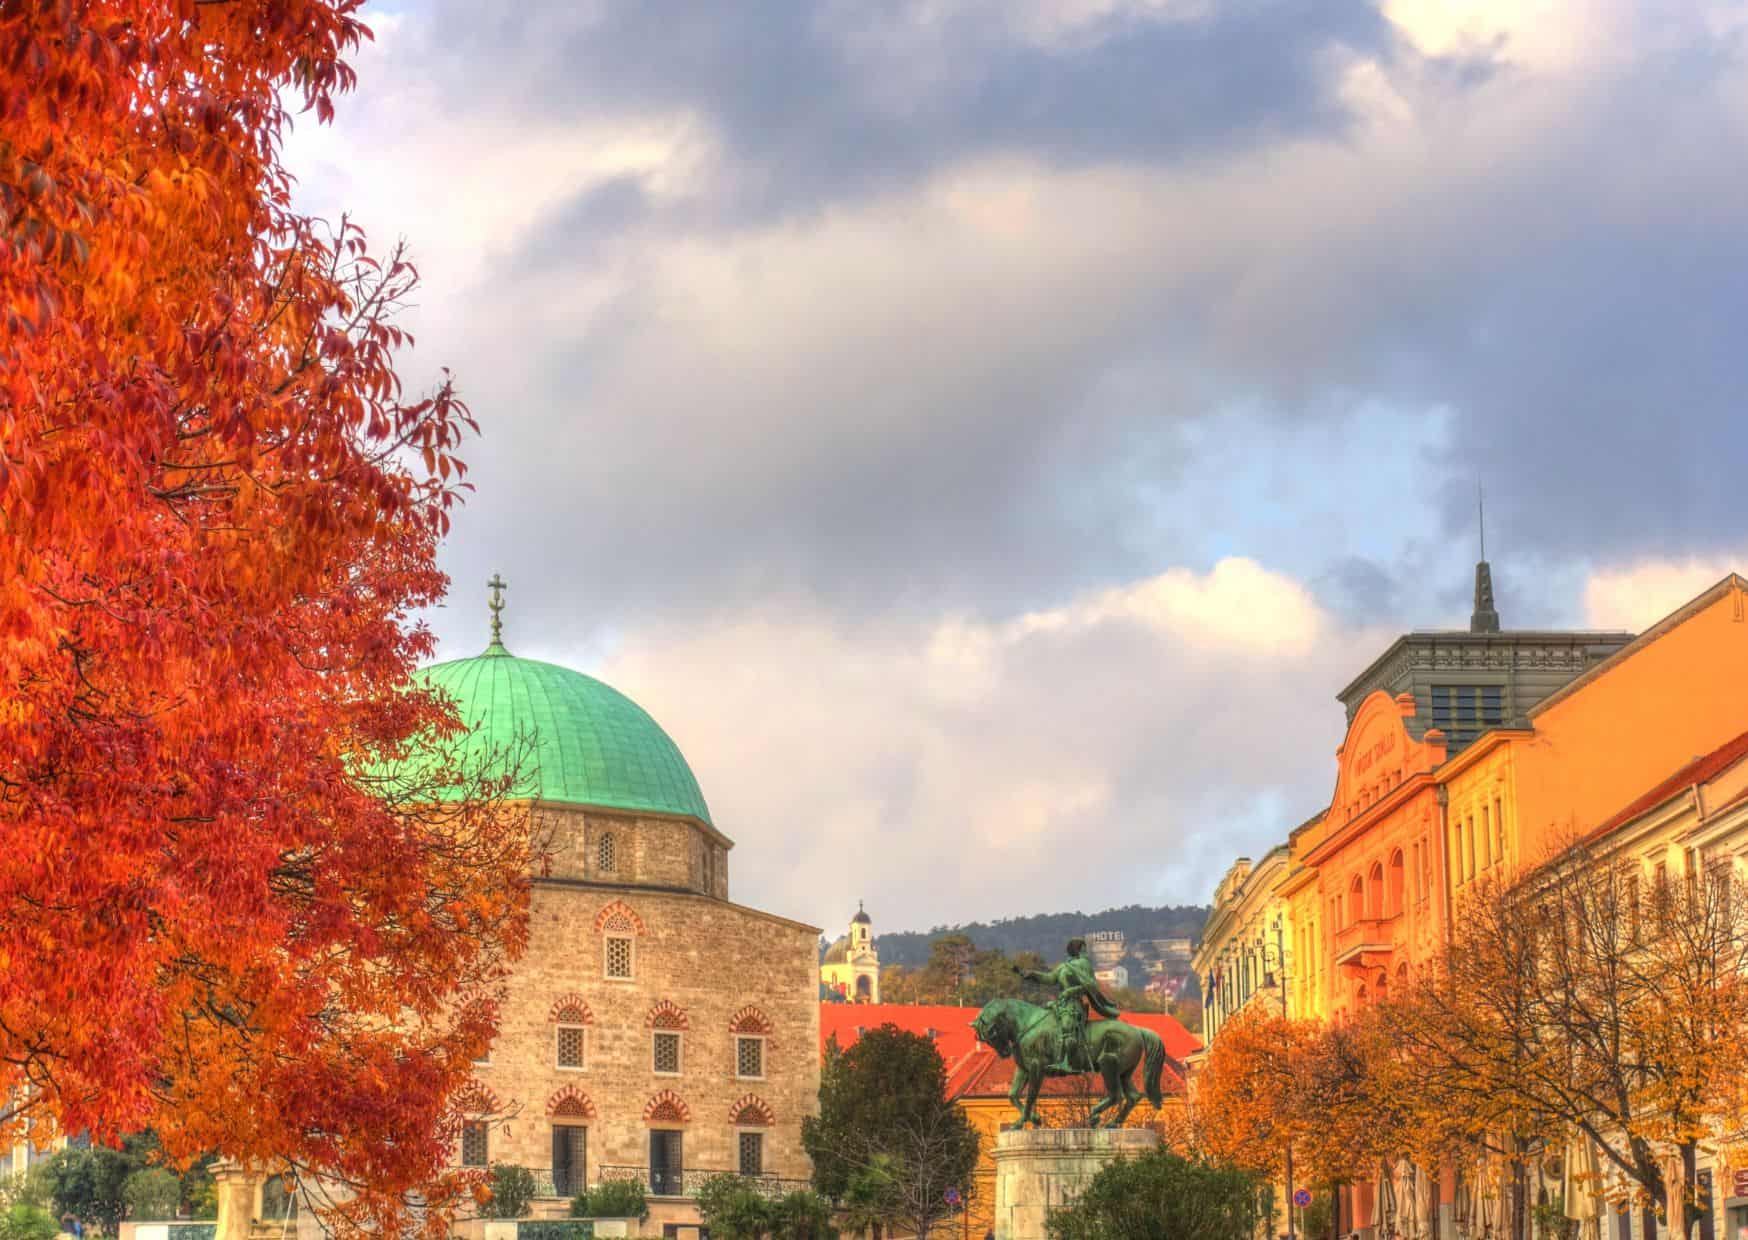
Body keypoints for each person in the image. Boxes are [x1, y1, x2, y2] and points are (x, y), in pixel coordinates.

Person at [1021, 937, 1120, 1074]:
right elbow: (1050, 978)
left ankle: (1067, 1062)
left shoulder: (1084, 964)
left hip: (1074, 1005)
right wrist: (1032, 974)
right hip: (1060, 1004)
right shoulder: (1064, 966)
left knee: (1067, 1025)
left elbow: (1091, 985)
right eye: (1083, 948)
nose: (1086, 950)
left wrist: (1071, 990)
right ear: (1077, 949)